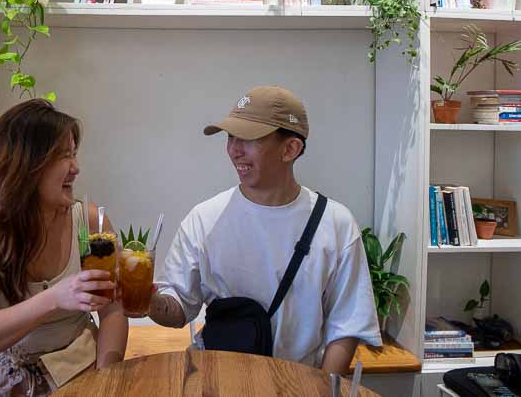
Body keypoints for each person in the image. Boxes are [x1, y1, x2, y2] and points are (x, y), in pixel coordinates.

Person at [148, 85, 381, 373]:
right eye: (231, 137)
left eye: (248, 138)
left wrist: (319, 389)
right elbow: (179, 307)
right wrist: (144, 299)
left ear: (290, 148)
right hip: (214, 379)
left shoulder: (336, 224)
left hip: (297, 383)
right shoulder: (204, 219)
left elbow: (346, 327)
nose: (234, 150)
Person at [0, 99, 128, 395]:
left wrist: (107, 375)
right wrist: (54, 298)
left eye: (75, 154)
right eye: (65, 156)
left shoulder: (90, 222)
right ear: (26, 165)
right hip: (0, 382)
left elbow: (113, 311)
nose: (76, 168)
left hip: (80, 371)